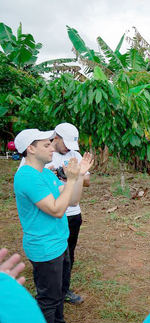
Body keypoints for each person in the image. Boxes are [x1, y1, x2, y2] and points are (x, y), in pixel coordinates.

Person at [13, 129, 92, 323]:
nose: (51, 148)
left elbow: (73, 201)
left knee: (57, 294)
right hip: (45, 247)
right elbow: (57, 209)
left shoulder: (45, 173)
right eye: (46, 145)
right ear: (30, 149)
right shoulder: (27, 177)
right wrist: (71, 179)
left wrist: (78, 178)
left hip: (59, 242)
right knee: (48, 299)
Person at [50, 123, 90, 305]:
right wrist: (70, 176)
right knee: (55, 254)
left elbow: (86, 180)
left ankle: (64, 289)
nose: (67, 149)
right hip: (54, 210)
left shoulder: (74, 154)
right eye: (65, 144)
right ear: (55, 137)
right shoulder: (46, 155)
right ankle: (51, 290)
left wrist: (72, 176)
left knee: (69, 254)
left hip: (73, 213)